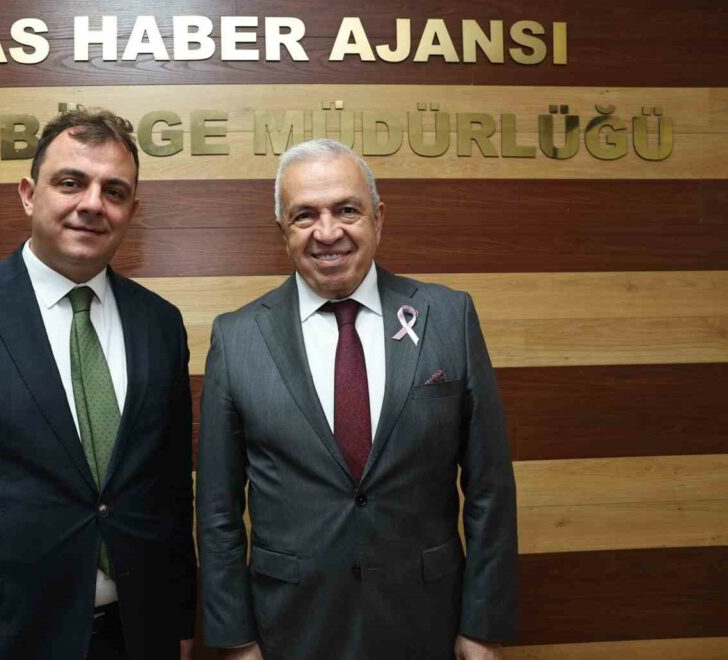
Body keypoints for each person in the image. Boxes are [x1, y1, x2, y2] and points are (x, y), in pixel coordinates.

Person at [0, 108, 196, 660]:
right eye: (71, 182)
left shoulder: (161, 324)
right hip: (0, 638)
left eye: (114, 191)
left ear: (131, 210)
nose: (92, 203)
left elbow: (170, 495)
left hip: (137, 636)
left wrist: (181, 622)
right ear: (29, 194)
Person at [196, 138, 517, 660]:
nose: (328, 232)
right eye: (305, 215)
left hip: (425, 620)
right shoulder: (237, 339)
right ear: (283, 230)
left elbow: (490, 487)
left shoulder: (448, 317)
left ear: (378, 218)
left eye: (347, 210)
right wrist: (235, 640)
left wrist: (483, 626)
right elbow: (217, 508)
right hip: (290, 627)